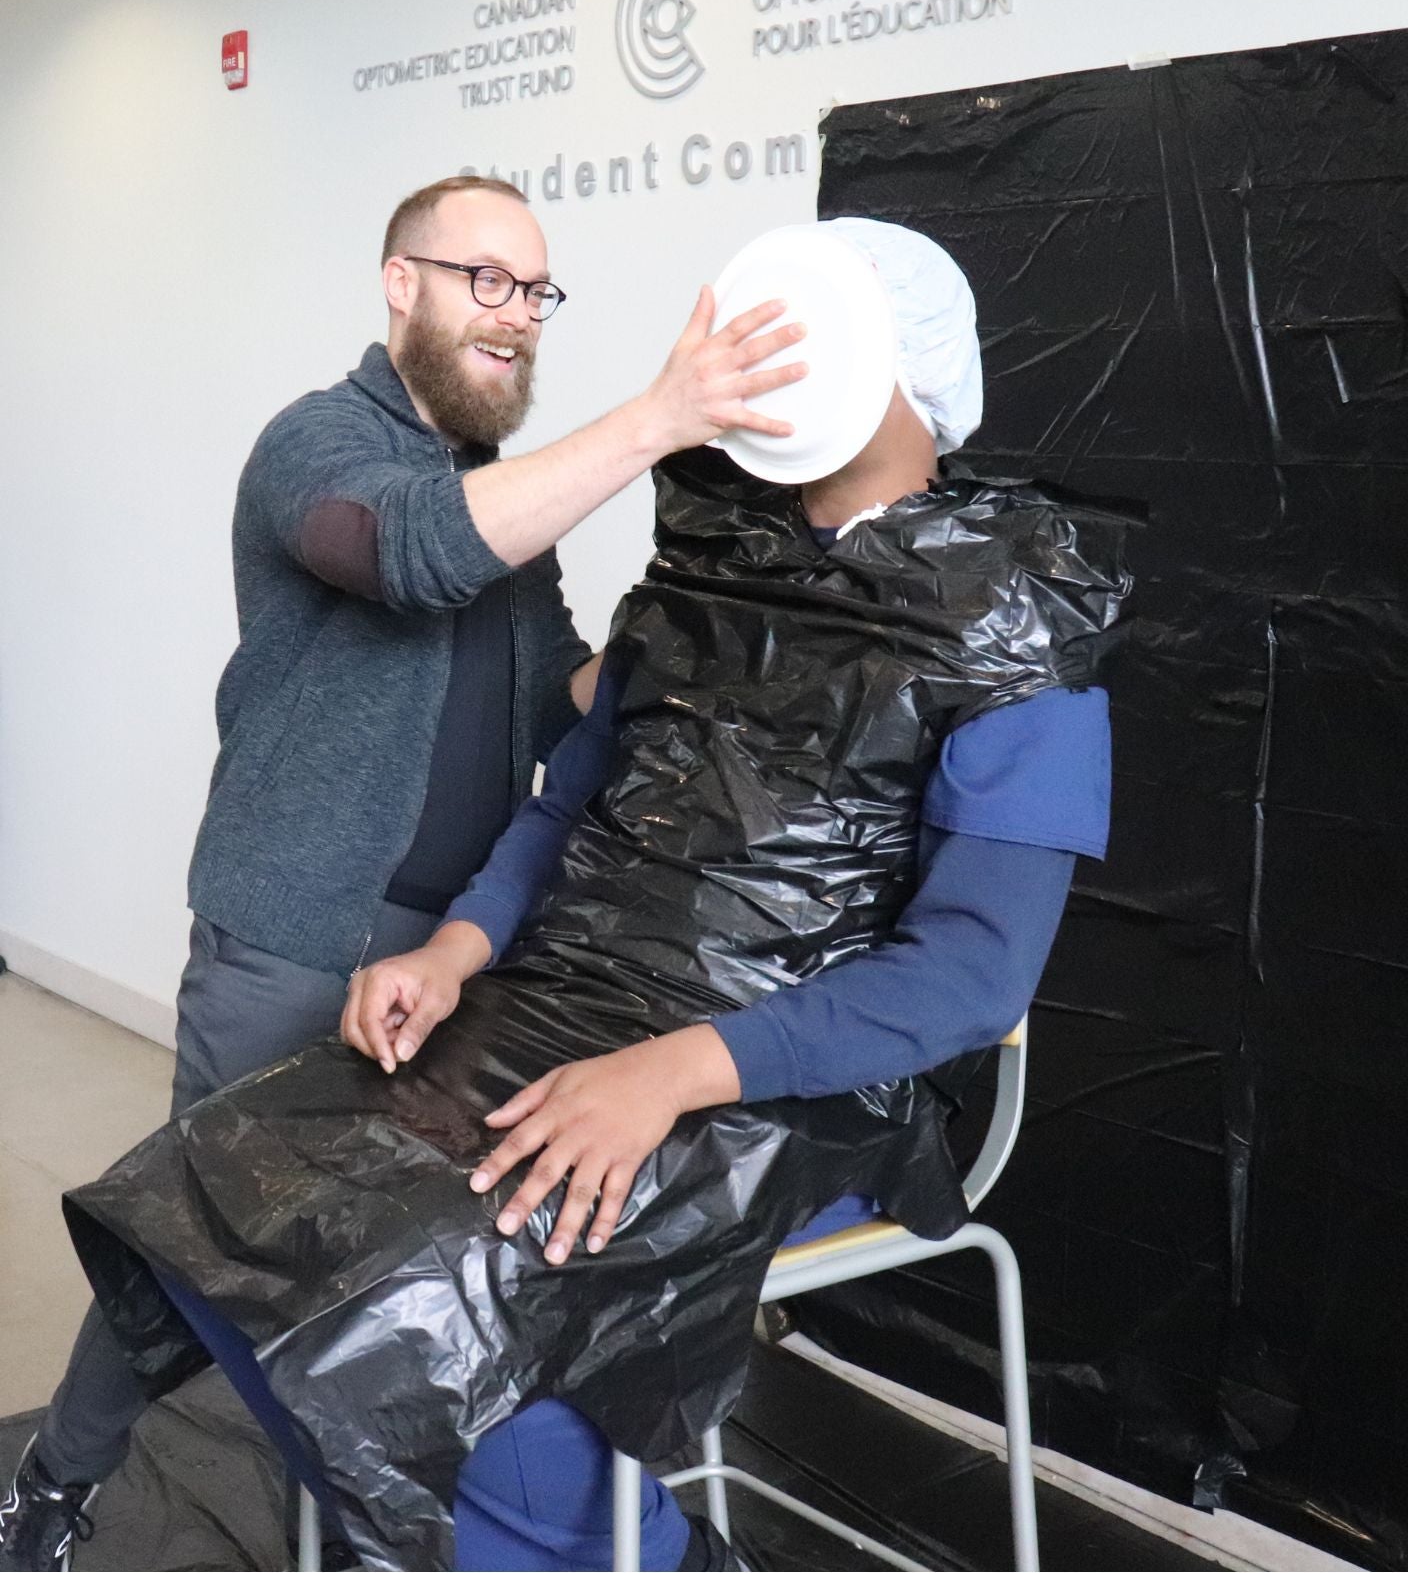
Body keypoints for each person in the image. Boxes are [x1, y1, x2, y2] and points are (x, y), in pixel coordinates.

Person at [63, 219, 1135, 1571]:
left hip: (802, 1077)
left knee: (489, 1286)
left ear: (901, 365)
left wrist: (675, 1070)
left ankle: (633, 1544)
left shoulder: (1017, 632)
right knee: (224, 1176)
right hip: (574, 1002)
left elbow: (971, 978)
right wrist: (456, 947)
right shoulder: (706, 572)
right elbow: (570, 795)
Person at [0, 173, 806, 1573]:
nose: (514, 318)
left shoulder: (506, 499)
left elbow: (561, 692)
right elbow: (410, 557)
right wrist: (661, 416)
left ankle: (370, 1531)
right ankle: (54, 1484)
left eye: (535, 292)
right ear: (400, 283)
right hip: (297, 935)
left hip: (457, 957)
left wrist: (705, 632)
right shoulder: (314, 447)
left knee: (412, 1274)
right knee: (203, 1262)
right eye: (483, 279)